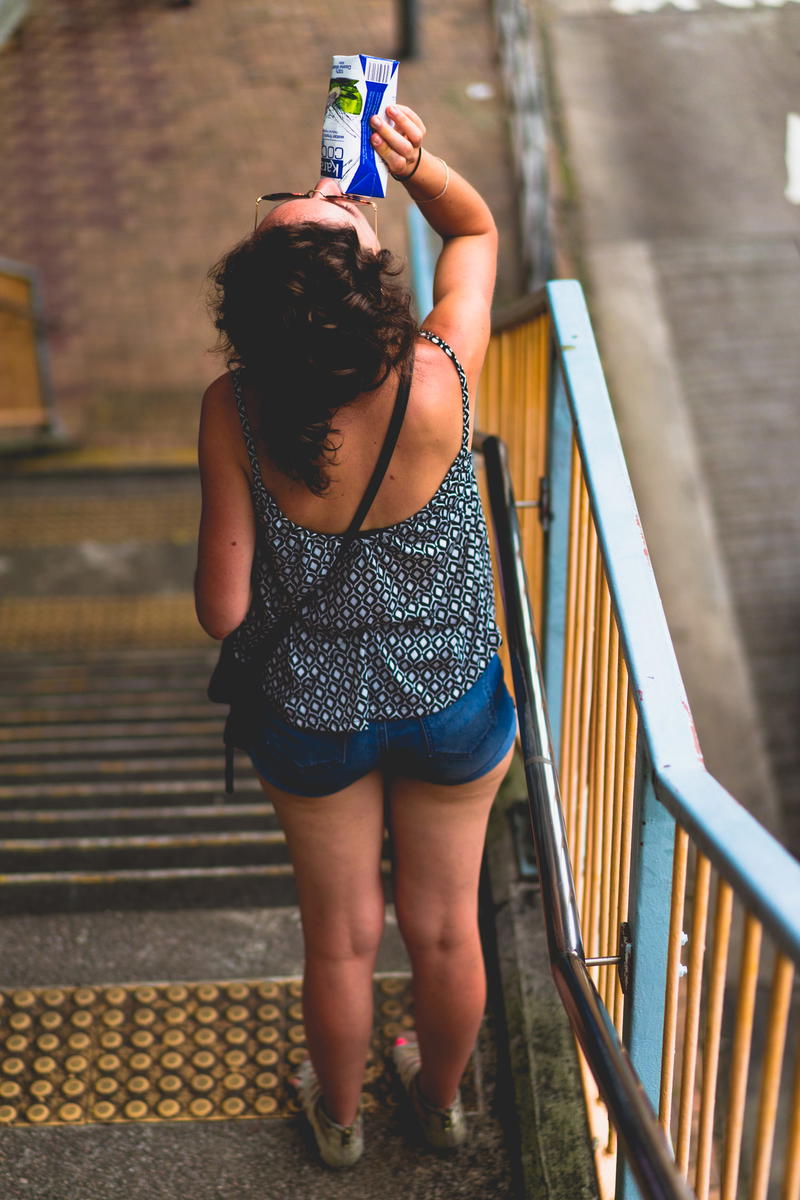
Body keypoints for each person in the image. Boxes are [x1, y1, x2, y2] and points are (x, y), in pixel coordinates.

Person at [195, 104, 517, 1168]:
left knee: (338, 939)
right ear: (371, 293)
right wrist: (417, 170)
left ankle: (336, 1124)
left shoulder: (235, 409)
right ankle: (441, 1100)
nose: (339, 194)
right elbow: (473, 237)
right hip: (448, 696)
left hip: (312, 714)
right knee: (442, 927)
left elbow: (223, 612)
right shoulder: (441, 375)